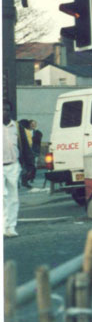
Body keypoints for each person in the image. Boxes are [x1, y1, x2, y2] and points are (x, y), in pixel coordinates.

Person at [3, 101, 34, 237]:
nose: (5, 112)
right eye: (2, 109)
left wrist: (30, 166)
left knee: (13, 198)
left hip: (14, 165)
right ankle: (3, 226)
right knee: (2, 197)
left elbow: (25, 147)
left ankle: (11, 227)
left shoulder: (16, 126)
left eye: (7, 110)